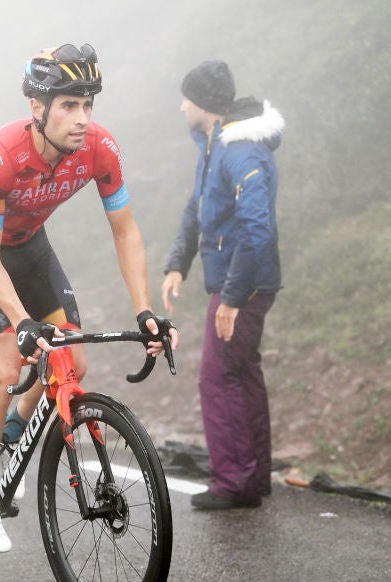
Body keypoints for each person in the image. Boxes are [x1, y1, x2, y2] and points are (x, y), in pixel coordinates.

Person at [0, 43, 177, 552]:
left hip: (29, 248)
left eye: (88, 105)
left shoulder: (100, 149)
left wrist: (144, 311)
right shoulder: (2, 155)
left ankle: (13, 425)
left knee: (72, 361)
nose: (82, 119)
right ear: (37, 107)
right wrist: (22, 322)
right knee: (6, 367)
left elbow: (126, 233)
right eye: (69, 106)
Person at [161, 60, 284, 510]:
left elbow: (257, 229)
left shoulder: (241, 151)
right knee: (241, 373)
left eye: (186, 99)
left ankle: (233, 481)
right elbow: (197, 209)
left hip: (243, 284)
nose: (181, 107)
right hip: (239, 281)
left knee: (218, 378)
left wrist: (232, 297)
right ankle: (252, 478)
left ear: (206, 105)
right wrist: (178, 263)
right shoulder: (214, 145)